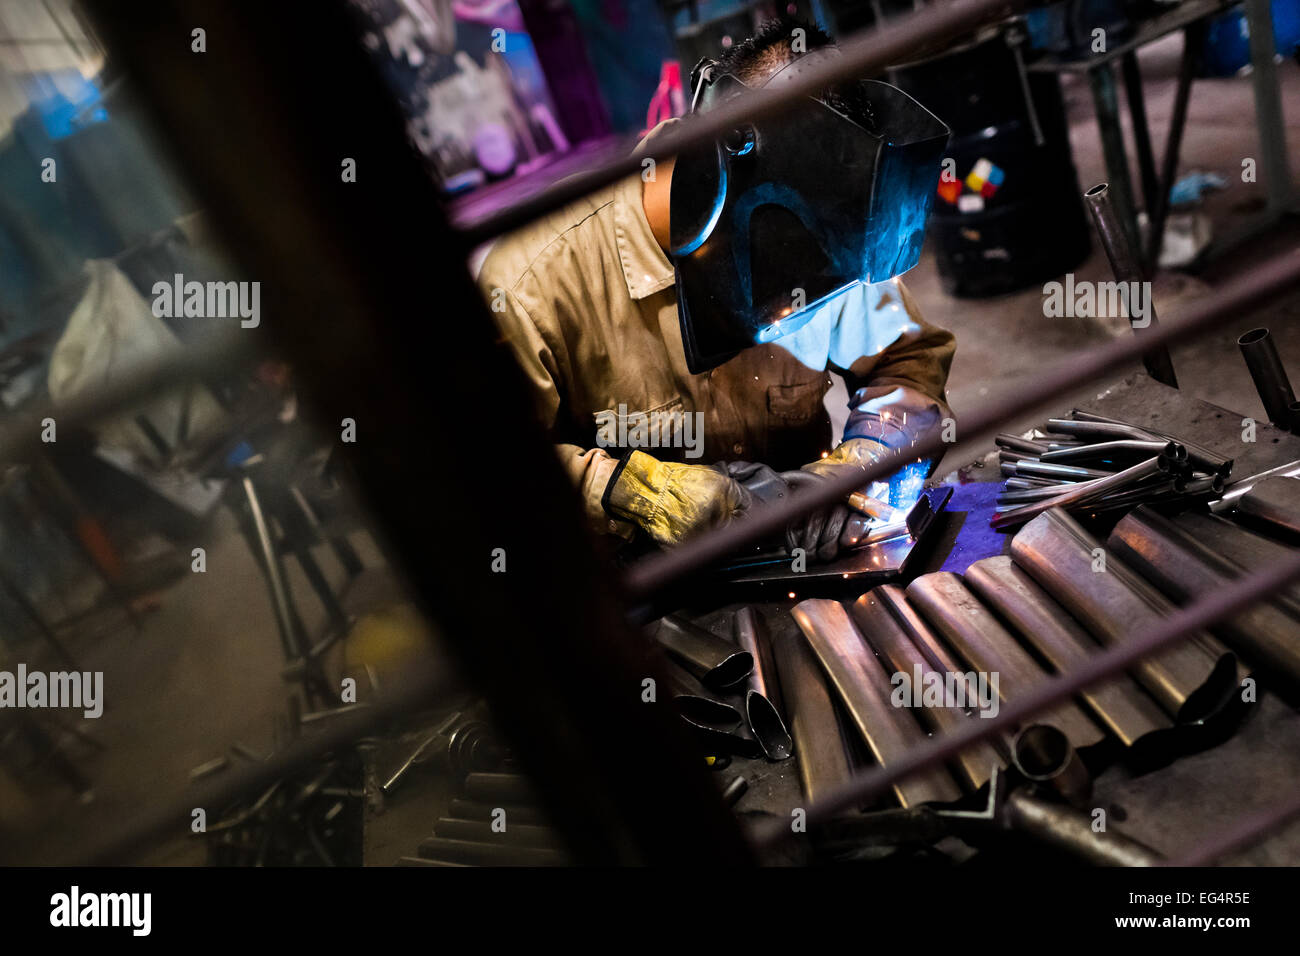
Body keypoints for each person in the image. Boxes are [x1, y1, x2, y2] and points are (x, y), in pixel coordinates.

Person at [478, 16, 955, 562]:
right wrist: (627, 492)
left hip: (802, 569)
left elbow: (908, 357)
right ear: (721, 180)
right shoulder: (531, 281)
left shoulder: (830, 231)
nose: (809, 302)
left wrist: (866, 460)